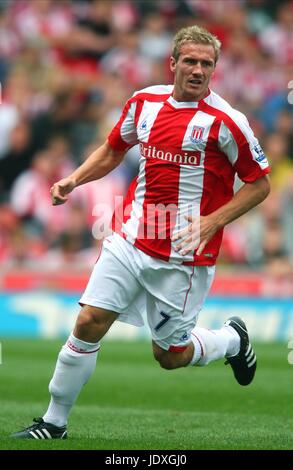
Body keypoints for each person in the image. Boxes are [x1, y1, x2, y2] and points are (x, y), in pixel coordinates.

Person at [12, 25, 270, 440]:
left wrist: (213, 221)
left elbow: (260, 185)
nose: (198, 70)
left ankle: (231, 341)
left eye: (207, 63)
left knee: (169, 356)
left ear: (215, 69)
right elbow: (115, 148)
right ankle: (53, 422)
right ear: (173, 63)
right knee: (89, 321)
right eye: (190, 61)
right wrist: (74, 180)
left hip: (183, 256)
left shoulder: (229, 123)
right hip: (131, 238)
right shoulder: (144, 102)